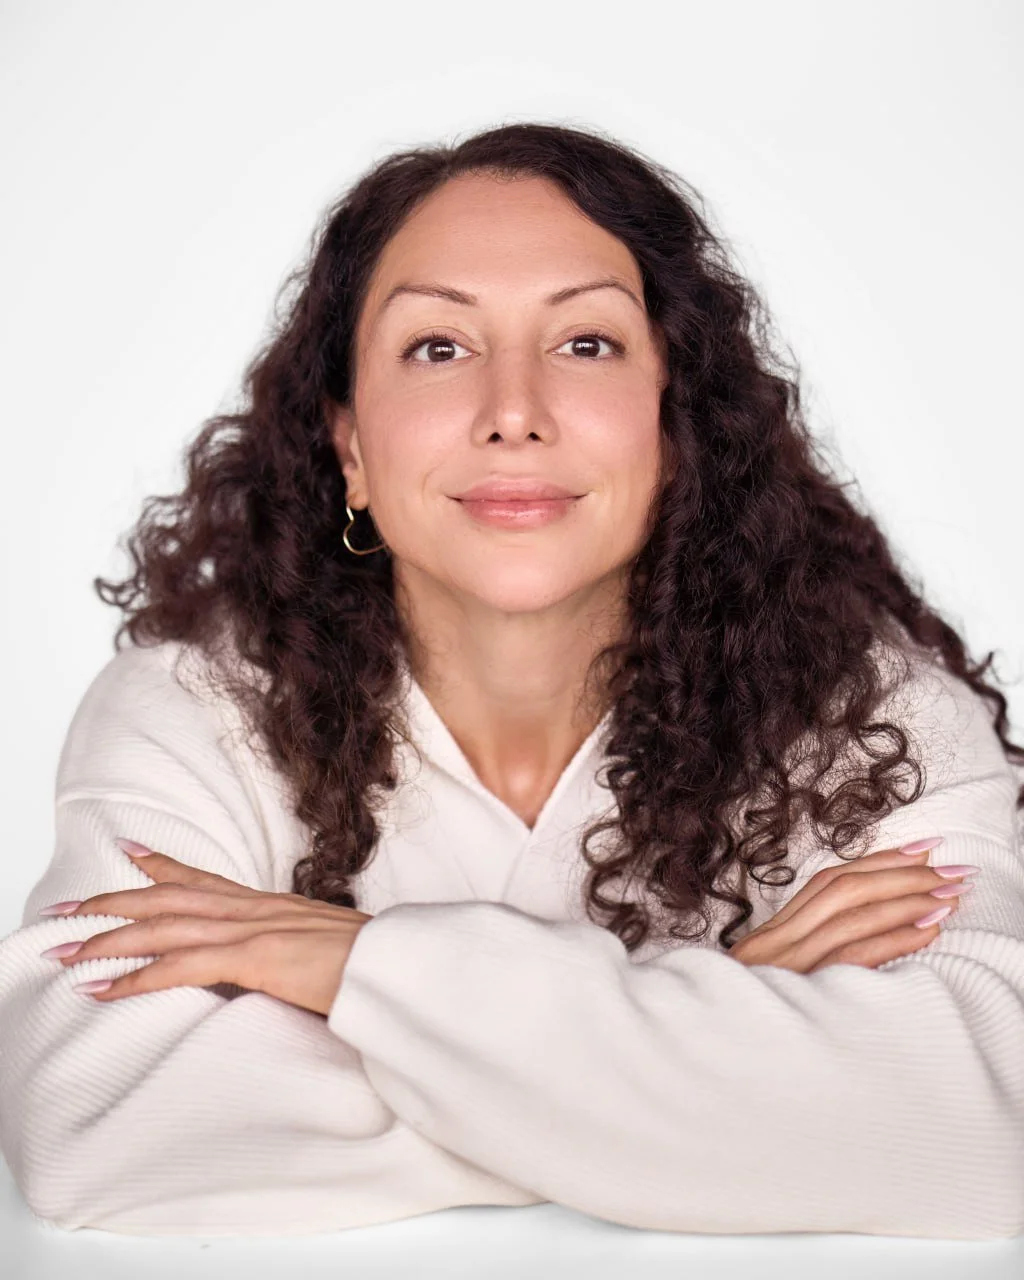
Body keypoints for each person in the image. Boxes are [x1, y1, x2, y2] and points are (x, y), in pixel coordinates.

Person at [1, 121, 1023, 1240]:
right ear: (348, 443)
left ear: (674, 423)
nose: (513, 409)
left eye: (584, 343)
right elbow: (89, 1114)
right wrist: (702, 1036)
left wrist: (359, 967)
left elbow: (989, 1121)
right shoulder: (191, 711)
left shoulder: (876, 720)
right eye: (438, 348)